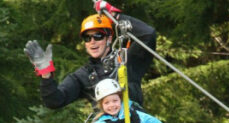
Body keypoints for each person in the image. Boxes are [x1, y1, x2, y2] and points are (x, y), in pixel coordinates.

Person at [24, 1, 155, 109]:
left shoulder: (128, 60)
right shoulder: (83, 75)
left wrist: (115, 16)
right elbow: (55, 101)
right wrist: (46, 74)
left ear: (109, 38)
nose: (92, 42)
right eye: (87, 38)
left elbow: (148, 35)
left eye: (98, 36)